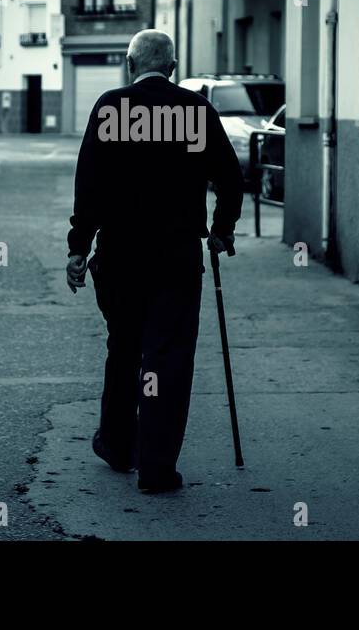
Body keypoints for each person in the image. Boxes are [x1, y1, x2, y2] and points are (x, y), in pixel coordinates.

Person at [65, 30, 244, 493]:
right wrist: (223, 229)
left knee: (124, 349)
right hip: (176, 258)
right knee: (166, 358)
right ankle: (157, 467)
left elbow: (90, 185)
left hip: (121, 258)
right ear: (173, 66)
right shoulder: (196, 111)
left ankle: (119, 446)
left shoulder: (110, 108)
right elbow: (230, 176)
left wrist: (78, 247)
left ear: (130, 64)